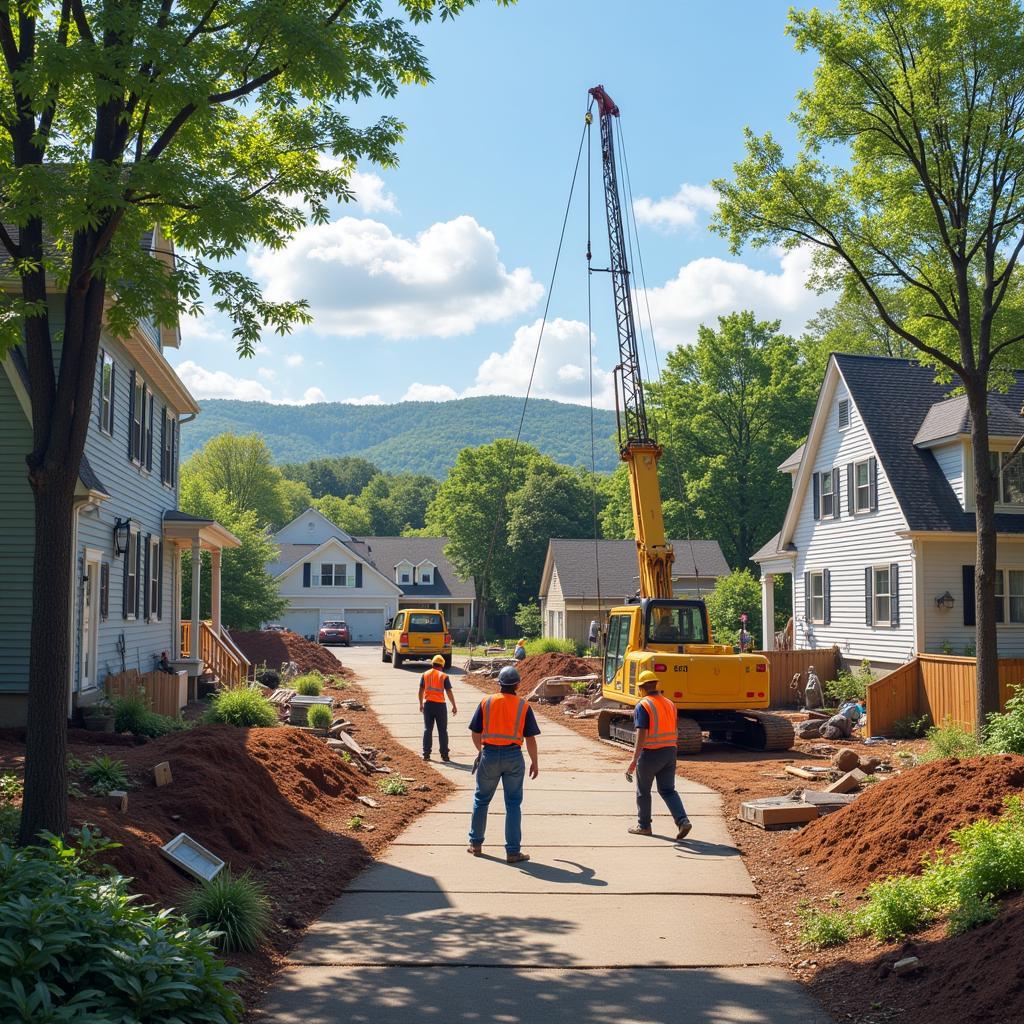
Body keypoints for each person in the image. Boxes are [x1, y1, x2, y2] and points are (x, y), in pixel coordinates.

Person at [467, 665, 540, 864]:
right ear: (517, 684)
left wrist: (480, 751)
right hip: (513, 757)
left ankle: (475, 844)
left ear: (499, 683)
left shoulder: (486, 701)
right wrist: (534, 762)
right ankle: (513, 852)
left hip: (489, 754)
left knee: (481, 799)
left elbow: (475, 732)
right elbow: (530, 738)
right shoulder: (523, 706)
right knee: (513, 804)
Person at [627, 671, 692, 841]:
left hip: (650, 754)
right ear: (656, 685)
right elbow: (675, 728)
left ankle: (644, 826)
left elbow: (641, 733)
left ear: (641, 688)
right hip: (670, 752)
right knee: (668, 790)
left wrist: (634, 760)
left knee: (643, 791)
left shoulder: (643, 705)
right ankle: (682, 820)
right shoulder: (670, 703)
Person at [419, 655, 457, 762]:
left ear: (433, 664)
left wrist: (421, 703)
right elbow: (448, 691)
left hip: (428, 705)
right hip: (440, 706)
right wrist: (454, 705)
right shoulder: (443, 676)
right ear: (442, 665)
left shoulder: (425, 674)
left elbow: (421, 690)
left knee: (427, 729)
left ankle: (426, 754)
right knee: (442, 731)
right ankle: (444, 755)